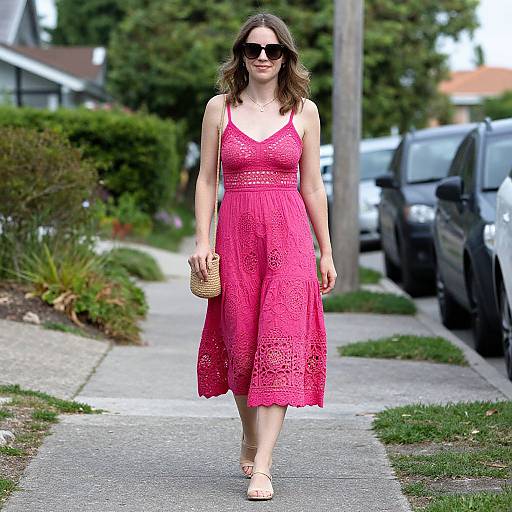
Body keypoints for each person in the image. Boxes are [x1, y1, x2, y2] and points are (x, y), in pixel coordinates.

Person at [188, 12, 337, 501]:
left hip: (290, 241)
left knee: (279, 342)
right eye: (254, 50)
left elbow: (313, 185)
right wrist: (202, 241)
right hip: (235, 239)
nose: (264, 58)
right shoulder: (218, 109)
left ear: (287, 56)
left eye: (273, 50)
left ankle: (264, 466)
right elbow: (207, 180)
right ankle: (250, 435)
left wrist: (326, 251)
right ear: (241, 56)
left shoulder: (305, 112)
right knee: (242, 345)